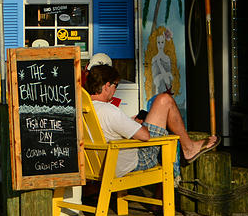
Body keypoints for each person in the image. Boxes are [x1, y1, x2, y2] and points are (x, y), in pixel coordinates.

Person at [85, 64, 219, 177]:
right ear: (107, 86)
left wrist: (131, 124)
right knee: (164, 100)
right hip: (132, 162)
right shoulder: (109, 110)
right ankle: (189, 147)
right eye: (116, 86)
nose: (115, 90)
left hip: (96, 166)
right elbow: (145, 136)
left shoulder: (84, 109)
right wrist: (140, 126)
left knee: (158, 114)